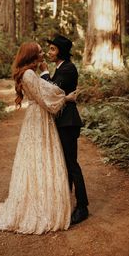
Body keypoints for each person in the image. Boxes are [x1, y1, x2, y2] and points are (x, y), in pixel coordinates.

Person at [0, 42, 77, 234]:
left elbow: (45, 89)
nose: (43, 53)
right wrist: (66, 99)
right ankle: (39, 207)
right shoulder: (28, 75)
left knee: (37, 159)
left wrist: (45, 75)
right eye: (39, 52)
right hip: (39, 118)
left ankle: (41, 200)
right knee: (39, 158)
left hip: (36, 117)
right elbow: (45, 96)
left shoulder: (28, 74)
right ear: (31, 56)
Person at [40, 35, 89, 225]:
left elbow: (51, 90)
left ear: (60, 50)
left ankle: (83, 206)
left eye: (52, 49)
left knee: (72, 163)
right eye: (49, 49)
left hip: (68, 122)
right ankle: (66, 200)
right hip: (61, 121)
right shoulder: (60, 68)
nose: (49, 52)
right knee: (64, 163)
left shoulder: (68, 68)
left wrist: (44, 73)